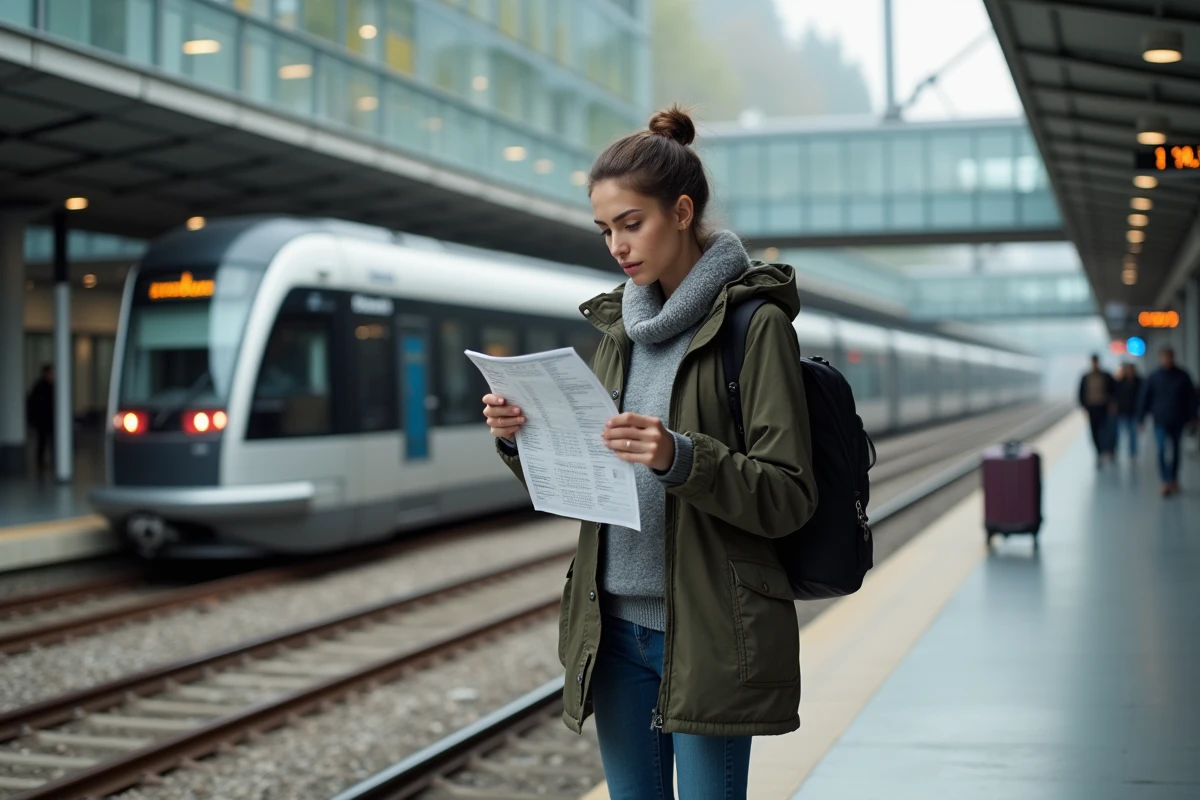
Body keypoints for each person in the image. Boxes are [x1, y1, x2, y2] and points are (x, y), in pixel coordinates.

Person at [483, 106, 817, 799]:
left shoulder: (755, 330)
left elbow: (788, 495)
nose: (617, 246)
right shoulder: (619, 332)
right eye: (606, 230)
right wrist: (523, 439)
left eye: (631, 224)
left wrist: (680, 457)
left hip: (712, 631)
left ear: (682, 211)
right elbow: (594, 473)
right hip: (614, 630)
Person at [1136, 346, 1198, 497]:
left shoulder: (1183, 376)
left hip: (1178, 419)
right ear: (1160, 359)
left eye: (1169, 357)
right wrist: (1141, 418)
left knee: (1176, 450)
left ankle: (1174, 478)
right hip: (1160, 420)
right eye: (1164, 357)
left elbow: (1192, 398)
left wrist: (1194, 417)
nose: (1167, 360)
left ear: (1173, 358)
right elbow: (1144, 398)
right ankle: (1165, 480)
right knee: (1162, 450)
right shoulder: (1154, 377)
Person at [1078, 354, 1116, 466]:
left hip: (1104, 407)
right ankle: (1099, 452)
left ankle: (1108, 450)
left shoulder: (1106, 376)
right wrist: (1084, 407)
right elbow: (1081, 393)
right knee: (1094, 432)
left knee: (1105, 431)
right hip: (1092, 408)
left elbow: (1114, 390)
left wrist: (1112, 404)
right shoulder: (1086, 377)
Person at [25, 364, 55, 474]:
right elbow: (35, 404)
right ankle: (40, 462)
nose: (52, 375)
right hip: (43, 420)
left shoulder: (52, 386)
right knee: (42, 441)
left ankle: (52, 461)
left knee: (50, 441)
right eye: (51, 373)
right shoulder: (40, 387)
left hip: (50, 420)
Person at [1113, 362, 1142, 459]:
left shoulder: (1139, 382)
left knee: (1133, 434)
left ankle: (1132, 453)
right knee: (1120, 434)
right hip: (1122, 412)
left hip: (1134, 412)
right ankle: (1117, 451)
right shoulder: (1120, 382)